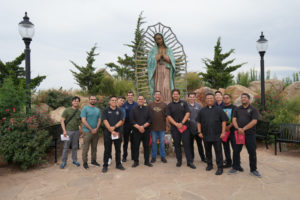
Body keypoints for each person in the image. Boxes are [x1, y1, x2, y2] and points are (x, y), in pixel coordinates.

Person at [230, 93, 261, 177]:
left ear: (249, 99)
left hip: (249, 134)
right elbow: (234, 120)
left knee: (252, 152)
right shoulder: (237, 109)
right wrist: (238, 128)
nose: (243, 99)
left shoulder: (253, 109)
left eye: (245, 97)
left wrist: (243, 129)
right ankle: (235, 167)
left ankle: (253, 170)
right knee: (236, 151)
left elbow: (254, 121)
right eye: (242, 97)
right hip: (239, 134)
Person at [197, 93, 228, 175]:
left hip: (217, 135)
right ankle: (209, 165)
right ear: (205, 100)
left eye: (211, 98)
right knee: (208, 151)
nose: (209, 100)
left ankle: (220, 167)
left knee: (218, 152)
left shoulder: (219, 110)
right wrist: (199, 132)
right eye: (208, 98)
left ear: (213, 99)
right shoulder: (202, 110)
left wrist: (223, 132)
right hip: (206, 135)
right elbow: (198, 122)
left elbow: (224, 121)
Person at [166, 89, 196, 169]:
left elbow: (187, 113)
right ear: (172, 95)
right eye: (174, 94)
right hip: (175, 128)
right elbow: (168, 116)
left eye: (177, 94)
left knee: (187, 144)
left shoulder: (184, 103)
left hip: (185, 127)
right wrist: (176, 124)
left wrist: (182, 123)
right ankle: (179, 161)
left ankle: (189, 162)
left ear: (179, 95)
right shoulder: (169, 105)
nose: (175, 95)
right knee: (177, 144)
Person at [147, 33, 176, 103]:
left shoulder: (168, 49)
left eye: (159, 39)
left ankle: (167, 101)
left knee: (166, 87)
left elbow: (172, 61)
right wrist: (156, 58)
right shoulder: (152, 50)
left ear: (163, 39)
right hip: (157, 71)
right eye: (156, 39)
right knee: (158, 86)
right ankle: (158, 102)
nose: (158, 41)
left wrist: (166, 57)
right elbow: (149, 62)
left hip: (166, 70)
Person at [102, 96, 125, 173]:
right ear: (109, 102)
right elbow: (105, 121)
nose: (114, 101)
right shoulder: (105, 110)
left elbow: (121, 121)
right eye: (112, 100)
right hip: (108, 133)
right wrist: (111, 130)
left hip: (117, 132)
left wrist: (114, 127)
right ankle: (105, 165)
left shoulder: (120, 110)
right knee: (107, 150)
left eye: (115, 100)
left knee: (118, 149)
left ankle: (118, 164)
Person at [130, 95, 153, 167]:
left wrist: (143, 127)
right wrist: (139, 127)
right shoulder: (133, 109)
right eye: (139, 99)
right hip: (136, 131)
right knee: (136, 147)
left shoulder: (148, 109)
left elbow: (150, 119)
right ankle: (136, 162)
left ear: (144, 101)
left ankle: (147, 161)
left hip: (146, 131)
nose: (140, 100)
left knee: (146, 147)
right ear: (137, 100)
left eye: (142, 99)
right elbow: (132, 120)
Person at [60, 96, 82, 169]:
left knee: (75, 146)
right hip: (68, 131)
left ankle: (74, 160)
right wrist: (64, 131)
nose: (76, 102)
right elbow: (62, 120)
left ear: (79, 103)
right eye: (75, 101)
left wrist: (81, 130)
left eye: (77, 101)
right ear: (72, 102)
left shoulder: (79, 111)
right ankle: (64, 161)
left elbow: (81, 121)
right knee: (66, 147)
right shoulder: (67, 110)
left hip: (76, 131)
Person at [81, 95, 102, 169]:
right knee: (85, 148)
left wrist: (96, 128)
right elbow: (83, 120)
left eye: (94, 99)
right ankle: (85, 162)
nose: (93, 100)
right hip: (87, 132)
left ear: (96, 100)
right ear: (89, 100)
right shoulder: (85, 109)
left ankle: (93, 161)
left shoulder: (97, 110)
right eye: (91, 99)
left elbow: (99, 119)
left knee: (94, 148)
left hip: (96, 131)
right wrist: (91, 129)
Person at [148, 91, 168, 163]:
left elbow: (167, 117)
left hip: (162, 127)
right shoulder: (150, 105)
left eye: (159, 94)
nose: (157, 96)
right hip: (153, 128)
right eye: (156, 94)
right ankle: (153, 157)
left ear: (160, 96)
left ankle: (163, 157)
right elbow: (147, 116)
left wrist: (167, 126)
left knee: (162, 143)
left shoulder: (164, 105)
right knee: (154, 143)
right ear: (154, 96)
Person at [187, 92, 206, 163]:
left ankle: (203, 158)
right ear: (188, 97)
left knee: (200, 144)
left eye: (193, 97)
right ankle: (191, 158)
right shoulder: (186, 105)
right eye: (190, 97)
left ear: (195, 97)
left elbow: (202, 116)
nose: (192, 98)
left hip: (198, 128)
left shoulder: (199, 105)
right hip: (189, 128)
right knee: (190, 144)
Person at [108, 96, 126, 166]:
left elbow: (123, 120)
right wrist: (111, 128)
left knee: (118, 146)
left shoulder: (122, 110)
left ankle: (118, 160)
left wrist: (119, 127)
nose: (121, 102)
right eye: (120, 100)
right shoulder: (108, 109)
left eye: (123, 101)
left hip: (118, 129)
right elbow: (106, 120)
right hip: (110, 129)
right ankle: (109, 158)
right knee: (109, 145)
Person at [222, 94, 237, 168]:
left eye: (227, 98)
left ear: (230, 99)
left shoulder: (234, 108)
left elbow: (235, 118)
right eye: (224, 98)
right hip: (224, 131)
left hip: (233, 131)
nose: (225, 99)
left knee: (235, 147)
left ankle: (236, 162)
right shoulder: (221, 108)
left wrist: (229, 126)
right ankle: (228, 162)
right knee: (226, 147)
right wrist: (225, 128)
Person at [122, 91, 138, 162]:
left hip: (134, 124)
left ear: (133, 96)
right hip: (126, 124)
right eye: (129, 95)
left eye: (131, 95)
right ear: (127, 96)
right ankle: (124, 156)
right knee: (125, 142)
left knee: (133, 141)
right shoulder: (124, 104)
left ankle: (133, 156)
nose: (130, 96)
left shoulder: (136, 104)